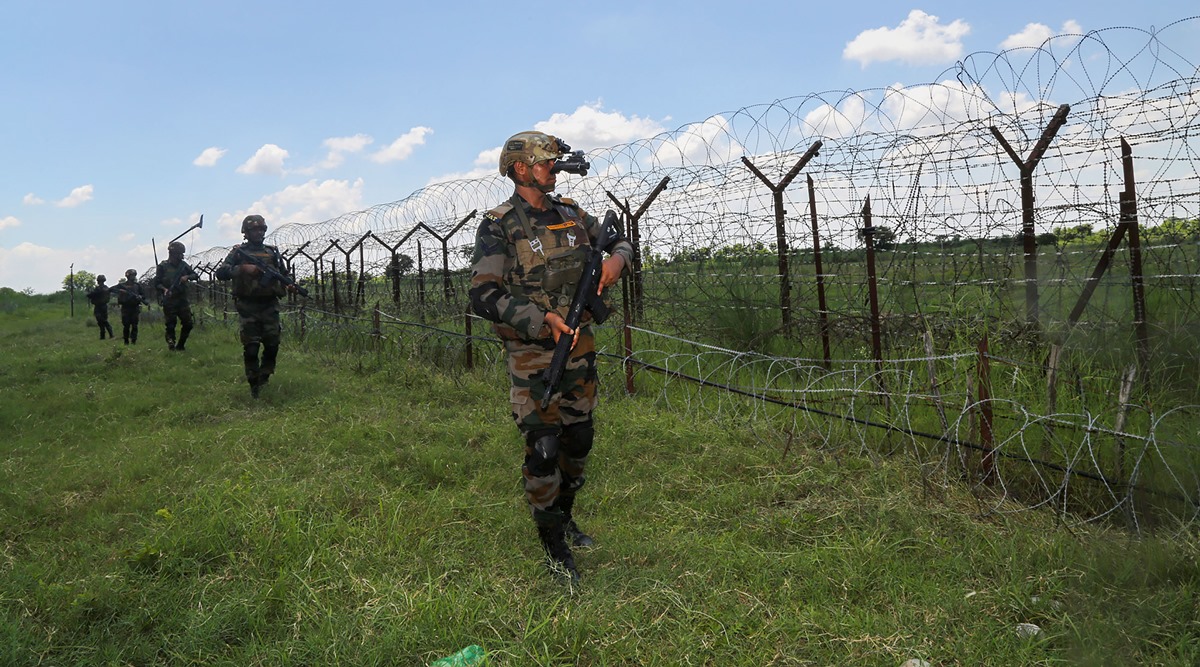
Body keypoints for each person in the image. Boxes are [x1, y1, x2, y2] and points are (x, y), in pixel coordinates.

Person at [469, 131, 633, 582]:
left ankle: (564, 514)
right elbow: (483, 295)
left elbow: (618, 242)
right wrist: (540, 321)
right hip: (532, 357)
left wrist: (617, 262)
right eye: (546, 163)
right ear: (521, 168)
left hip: (579, 351)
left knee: (578, 442)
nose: (554, 169)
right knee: (544, 448)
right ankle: (552, 544)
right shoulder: (499, 225)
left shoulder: (571, 213)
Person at [214, 214, 297, 398]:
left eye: (261, 229)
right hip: (247, 305)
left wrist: (289, 284)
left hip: (269, 304)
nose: (258, 233)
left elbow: (283, 274)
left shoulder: (272, 252)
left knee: (272, 344)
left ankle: (265, 376)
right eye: (254, 230)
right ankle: (253, 383)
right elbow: (221, 272)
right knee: (251, 346)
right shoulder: (238, 253)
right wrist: (242, 269)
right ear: (246, 232)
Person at [154, 241, 200, 351]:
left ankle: (181, 345)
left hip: (182, 299)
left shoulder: (184, 266)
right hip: (169, 299)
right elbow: (157, 283)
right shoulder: (162, 266)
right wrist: (164, 289)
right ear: (173, 254)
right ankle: (171, 343)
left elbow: (195, 275)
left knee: (188, 324)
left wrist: (187, 277)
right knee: (170, 324)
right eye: (180, 254)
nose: (182, 256)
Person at [114, 268, 150, 344]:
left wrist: (140, 297)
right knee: (126, 325)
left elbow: (143, 295)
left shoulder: (137, 286)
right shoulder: (122, 285)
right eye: (131, 275)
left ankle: (133, 340)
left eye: (134, 275)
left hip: (135, 308)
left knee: (134, 325)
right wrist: (121, 291)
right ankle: (126, 340)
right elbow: (112, 289)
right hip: (125, 308)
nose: (133, 277)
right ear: (128, 276)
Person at [85, 274, 115, 340]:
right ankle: (105, 336)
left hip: (99, 306)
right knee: (103, 321)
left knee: (102, 321)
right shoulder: (106, 288)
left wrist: (88, 292)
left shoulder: (99, 289)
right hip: (104, 306)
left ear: (98, 281)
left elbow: (91, 295)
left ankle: (106, 335)